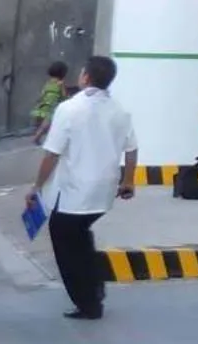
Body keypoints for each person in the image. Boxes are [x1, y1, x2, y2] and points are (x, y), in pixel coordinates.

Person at [25, 56, 137, 321]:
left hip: (74, 192)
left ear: (85, 77)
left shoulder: (69, 109)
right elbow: (132, 150)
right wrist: (128, 180)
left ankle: (86, 301)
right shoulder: (119, 110)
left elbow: (51, 154)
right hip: (104, 191)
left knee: (65, 243)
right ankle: (94, 289)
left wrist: (36, 187)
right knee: (81, 236)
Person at [31, 60, 70, 146]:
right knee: (46, 124)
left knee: (40, 123)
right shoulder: (60, 83)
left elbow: (43, 92)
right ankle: (37, 137)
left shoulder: (48, 82)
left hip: (43, 104)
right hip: (52, 106)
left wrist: (39, 101)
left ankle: (36, 134)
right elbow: (63, 96)